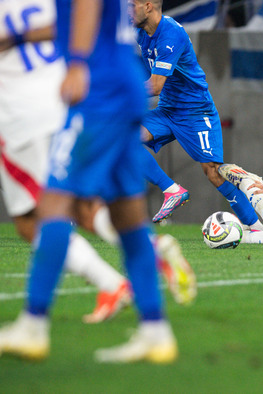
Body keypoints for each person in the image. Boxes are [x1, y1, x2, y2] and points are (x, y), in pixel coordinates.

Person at [0, 0, 177, 363]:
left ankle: (33, 325)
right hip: (121, 83)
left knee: (53, 204)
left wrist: (77, 63)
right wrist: (19, 38)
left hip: (99, 91)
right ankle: (156, 331)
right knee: (127, 216)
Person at [0, 0, 132, 324]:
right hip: (66, 99)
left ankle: (109, 283)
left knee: (32, 218)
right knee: (80, 206)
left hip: (20, 115)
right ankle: (144, 254)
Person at [132, 0, 263, 231]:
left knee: (214, 172)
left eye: (131, 4)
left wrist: (116, 93)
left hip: (195, 111)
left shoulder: (171, 34)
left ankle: (257, 227)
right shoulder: (141, 31)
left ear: (148, 6)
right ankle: (172, 190)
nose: (127, 10)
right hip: (167, 110)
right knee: (124, 138)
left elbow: (155, 86)